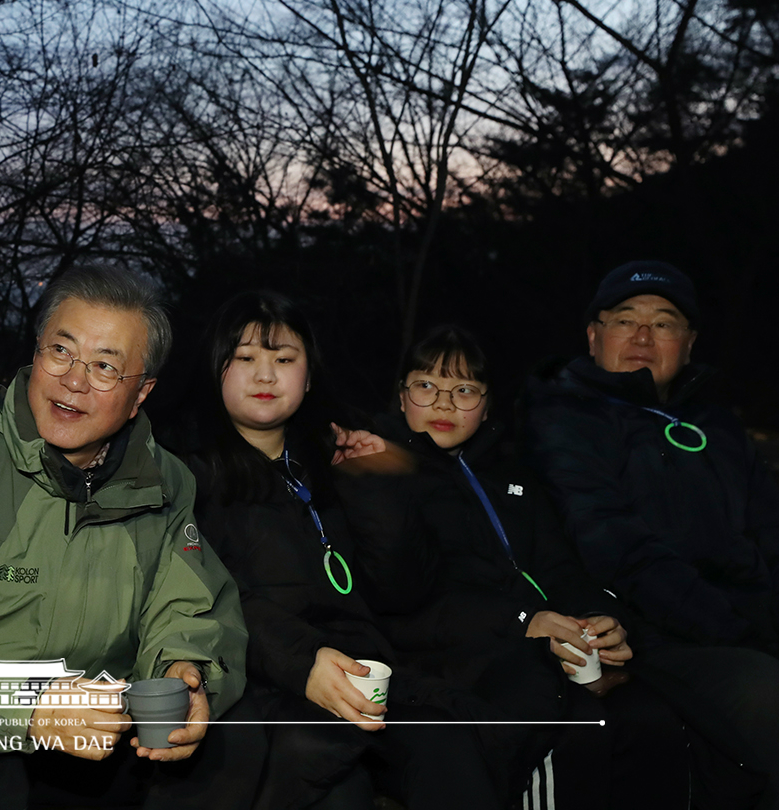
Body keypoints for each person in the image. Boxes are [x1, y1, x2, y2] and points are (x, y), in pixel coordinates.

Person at [0, 264, 255, 810]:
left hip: (98, 733)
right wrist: (27, 708)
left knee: (236, 755)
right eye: (61, 351)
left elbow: (187, 609)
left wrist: (189, 673)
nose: (74, 380)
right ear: (37, 354)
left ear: (140, 394)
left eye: (106, 366)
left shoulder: (163, 482)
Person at [344, 324, 688, 810]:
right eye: (426, 386)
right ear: (401, 397)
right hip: (456, 659)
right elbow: (404, 601)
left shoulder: (514, 477)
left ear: (486, 406)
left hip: (547, 649)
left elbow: (560, 567)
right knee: (570, 733)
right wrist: (524, 621)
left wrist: (602, 617)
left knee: (651, 721)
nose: (444, 404)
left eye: (464, 390)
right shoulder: (382, 472)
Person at [187, 290, 503, 810]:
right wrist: (304, 662)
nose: (265, 376)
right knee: (335, 782)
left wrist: (374, 485)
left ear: (308, 378)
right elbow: (213, 599)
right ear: (215, 369)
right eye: (245, 358)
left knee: (450, 744)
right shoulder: (188, 476)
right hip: (268, 681)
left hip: (368, 676)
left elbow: (401, 591)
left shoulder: (331, 462)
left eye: (283, 360)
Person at [524, 259, 779, 806]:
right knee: (766, 695)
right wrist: (742, 627)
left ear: (687, 344)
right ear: (594, 337)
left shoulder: (716, 424)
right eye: (625, 319)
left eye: (664, 323)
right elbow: (613, 544)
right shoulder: (565, 418)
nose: (643, 335)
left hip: (745, 620)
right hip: (651, 637)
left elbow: (769, 525)